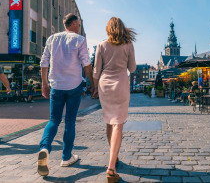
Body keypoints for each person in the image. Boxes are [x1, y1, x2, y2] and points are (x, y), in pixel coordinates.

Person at [37, 13, 95, 176]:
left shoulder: (52, 38)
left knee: (54, 120)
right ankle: (66, 157)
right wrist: (92, 84)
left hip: (56, 85)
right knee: (70, 120)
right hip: (74, 86)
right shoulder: (79, 40)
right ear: (75, 23)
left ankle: (44, 149)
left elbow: (44, 62)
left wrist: (44, 83)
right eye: (80, 24)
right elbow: (86, 64)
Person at [93, 17, 136, 183]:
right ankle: (111, 168)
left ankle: (113, 156)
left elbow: (96, 71)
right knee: (119, 124)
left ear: (108, 29)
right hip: (121, 85)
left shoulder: (101, 45)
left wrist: (94, 88)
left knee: (110, 122)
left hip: (105, 85)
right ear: (122, 28)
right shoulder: (128, 45)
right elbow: (132, 68)